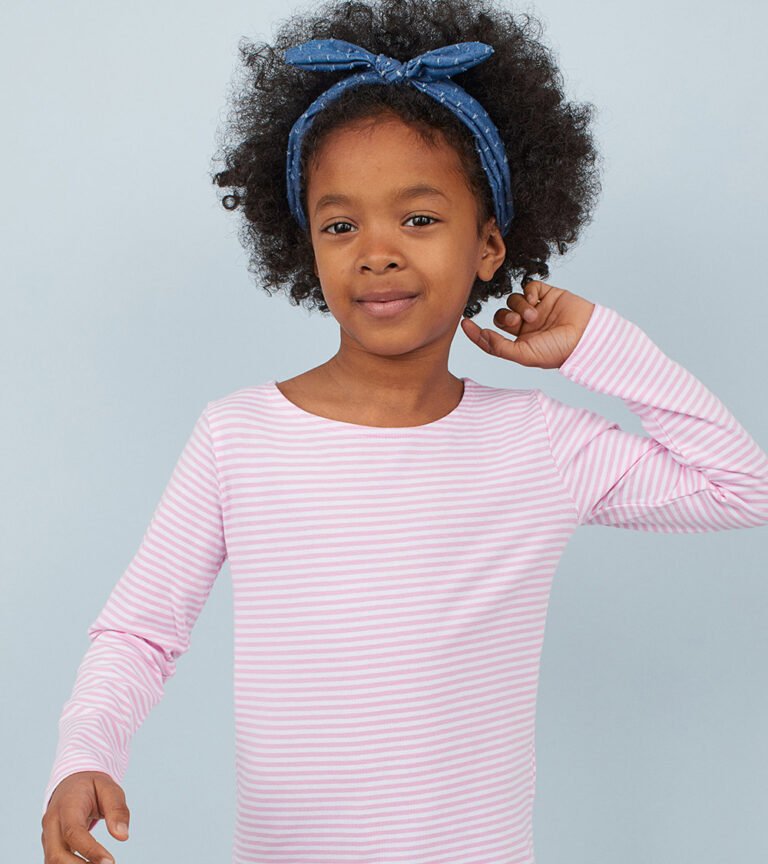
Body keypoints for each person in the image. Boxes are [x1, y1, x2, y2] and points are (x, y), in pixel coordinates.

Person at [40, 0, 768, 862]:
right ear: (306, 245)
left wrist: (595, 342)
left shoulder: (539, 445)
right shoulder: (239, 438)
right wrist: (85, 753)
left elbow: (741, 487)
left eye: (419, 219)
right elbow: (140, 632)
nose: (377, 250)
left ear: (489, 246)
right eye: (340, 224)